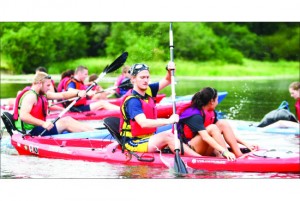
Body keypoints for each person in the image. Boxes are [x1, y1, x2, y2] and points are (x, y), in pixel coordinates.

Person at [119, 62, 201, 157]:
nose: (146, 80)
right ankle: (199, 159)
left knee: (173, 133)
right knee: (168, 136)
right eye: (142, 77)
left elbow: (168, 79)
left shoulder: (149, 90)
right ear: (133, 79)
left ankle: (193, 154)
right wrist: (168, 121)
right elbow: (143, 123)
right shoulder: (133, 101)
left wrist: (169, 70)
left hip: (148, 138)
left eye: (147, 77)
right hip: (133, 142)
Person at [176, 87, 258, 160]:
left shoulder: (210, 113)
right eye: (217, 100)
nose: (217, 102)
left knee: (223, 123)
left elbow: (229, 134)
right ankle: (226, 157)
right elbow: (205, 137)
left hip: (203, 147)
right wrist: (224, 151)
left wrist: (246, 144)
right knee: (212, 128)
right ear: (212, 101)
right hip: (189, 148)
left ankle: (238, 155)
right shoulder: (195, 115)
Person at [14, 72, 96, 136]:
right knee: (65, 122)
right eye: (48, 85)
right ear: (39, 83)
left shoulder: (42, 94)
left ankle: (96, 132)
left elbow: (62, 95)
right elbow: (23, 116)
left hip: (37, 128)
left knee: (68, 119)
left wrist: (78, 93)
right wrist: (43, 123)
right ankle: (95, 135)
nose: (49, 88)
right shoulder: (31, 96)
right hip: (30, 132)